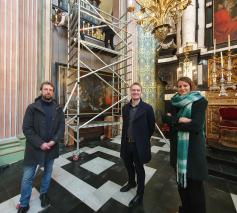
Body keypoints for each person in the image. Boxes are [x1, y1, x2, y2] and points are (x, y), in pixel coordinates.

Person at [17, 81, 65, 213]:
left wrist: (54, 141)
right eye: (45, 89)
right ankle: (24, 203)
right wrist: (40, 143)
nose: (48, 91)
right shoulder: (32, 107)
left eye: (50, 89)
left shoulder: (58, 109)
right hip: (34, 149)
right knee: (27, 176)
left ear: (53, 92)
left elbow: (61, 128)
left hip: (51, 148)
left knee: (48, 172)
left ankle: (43, 194)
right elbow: (27, 128)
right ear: (41, 91)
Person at [162, 77, 208, 213]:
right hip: (177, 150)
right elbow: (165, 118)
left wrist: (173, 122)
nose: (182, 88)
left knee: (195, 187)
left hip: (192, 152)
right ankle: (186, 208)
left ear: (190, 86)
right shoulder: (173, 102)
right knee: (181, 185)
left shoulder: (199, 101)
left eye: (185, 86)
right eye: (180, 86)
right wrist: (180, 120)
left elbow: (195, 126)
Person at [120, 82, 155, 208]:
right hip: (126, 143)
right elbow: (125, 126)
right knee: (128, 165)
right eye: (133, 90)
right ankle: (131, 183)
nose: (135, 92)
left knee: (139, 169)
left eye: (138, 90)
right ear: (130, 91)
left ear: (141, 92)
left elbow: (151, 127)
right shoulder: (125, 108)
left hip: (139, 145)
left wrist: (143, 139)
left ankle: (140, 193)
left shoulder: (147, 108)